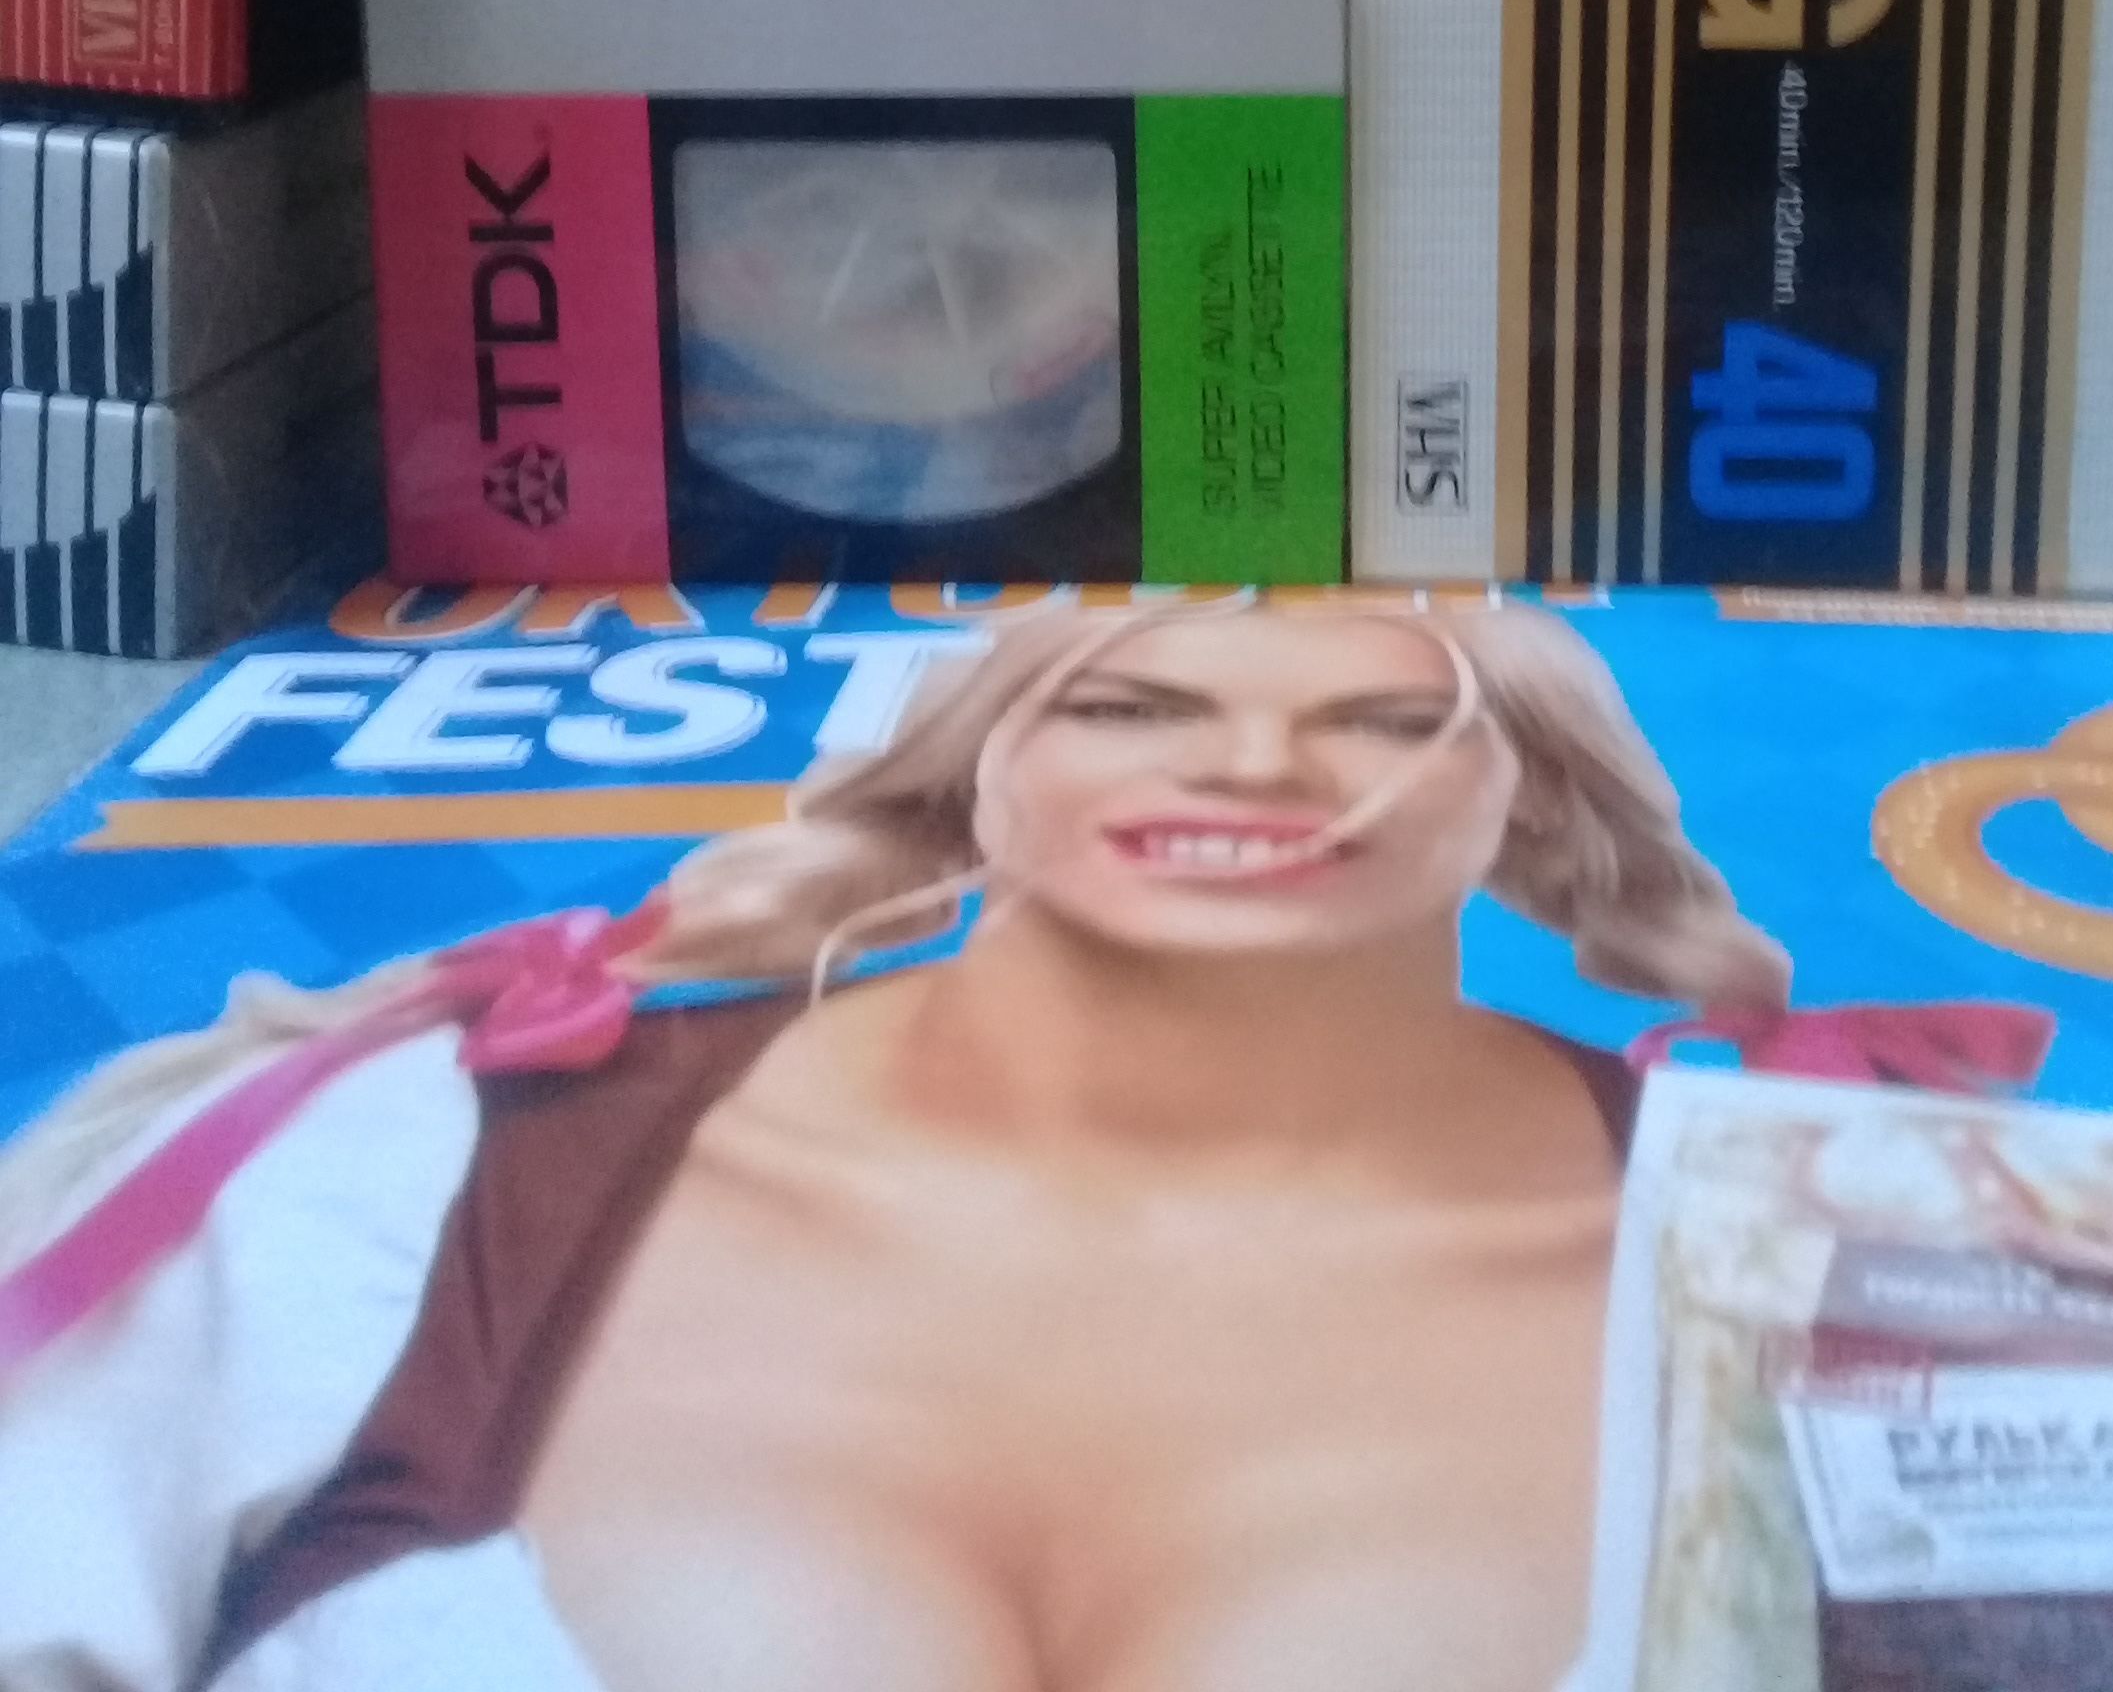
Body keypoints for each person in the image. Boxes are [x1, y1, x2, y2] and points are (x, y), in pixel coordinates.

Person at [0, 591, 1789, 1692]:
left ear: (1528, 800)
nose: (1256, 765)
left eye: (1389, 725)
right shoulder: (429, 1164)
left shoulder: (1795, 1238)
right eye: (1131, 707)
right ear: (970, 777)